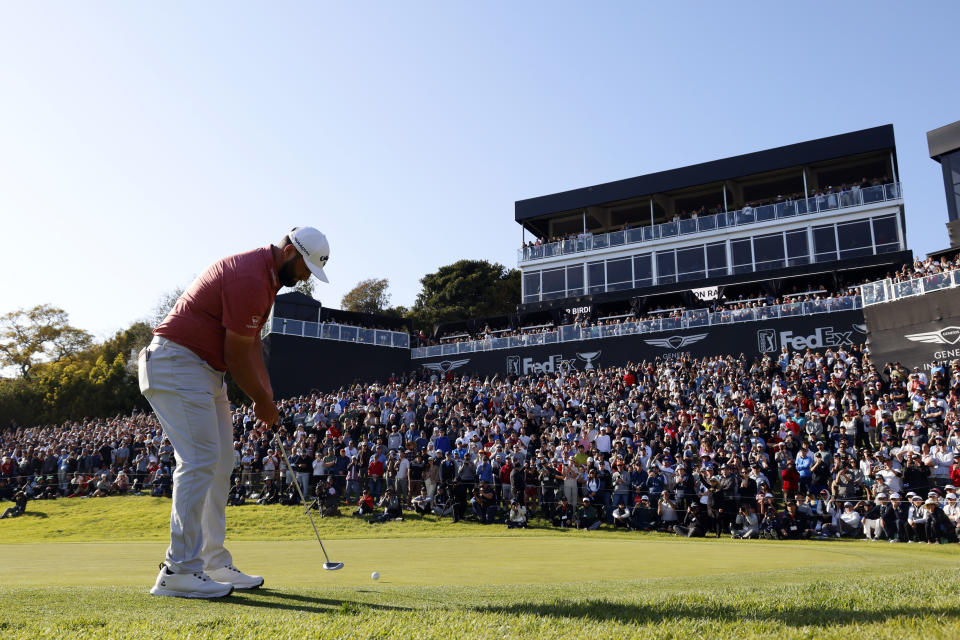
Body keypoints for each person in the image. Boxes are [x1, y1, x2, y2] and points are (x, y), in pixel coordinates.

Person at [140, 226, 329, 597]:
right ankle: (179, 568)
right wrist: (260, 400)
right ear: (289, 251)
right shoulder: (251, 277)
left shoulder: (267, 279)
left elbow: (251, 345)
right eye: (306, 267)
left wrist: (268, 394)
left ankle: (213, 562)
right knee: (199, 460)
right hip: (179, 362)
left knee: (221, 461)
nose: (307, 277)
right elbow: (236, 352)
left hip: (203, 370)